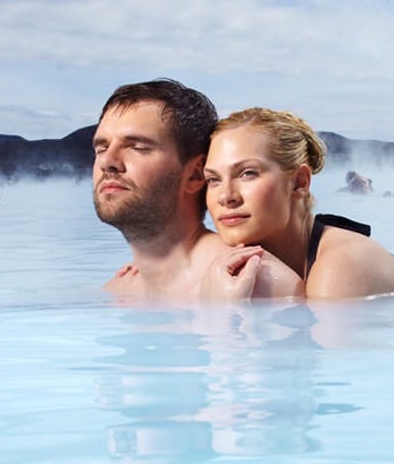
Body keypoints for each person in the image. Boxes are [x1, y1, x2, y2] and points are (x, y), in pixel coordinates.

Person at [93, 79, 303, 302]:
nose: (107, 161)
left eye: (138, 147)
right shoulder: (118, 290)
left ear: (195, 174)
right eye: (101, 148)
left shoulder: (258, 281)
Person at [202, 107, 394, 300]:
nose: (226, 196)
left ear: (299, 182)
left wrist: (227, 313)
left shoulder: (340, 267)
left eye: (247, 173)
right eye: (213, 179)